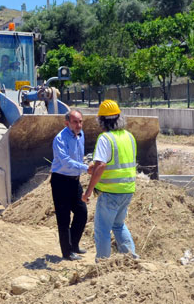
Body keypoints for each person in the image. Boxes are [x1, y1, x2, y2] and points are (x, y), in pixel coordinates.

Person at [82, 100, 138, 260]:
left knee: (102, 230)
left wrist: (88, 191)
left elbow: (101, 166)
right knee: (118, 225)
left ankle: (103, 264)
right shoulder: (129, 136)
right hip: (127, 190)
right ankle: (131, 259)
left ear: (101, 121)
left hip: (110, 193)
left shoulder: (105, 138)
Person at [50, 109, 89, 261]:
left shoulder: (81, 135)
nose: (79, 125)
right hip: (61, 181)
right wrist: (86, 168)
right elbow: (65, 162)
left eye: (80, 121)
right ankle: (67, 253)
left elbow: (79, 157)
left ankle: (74, 245)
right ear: (67, 123)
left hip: (74, 180)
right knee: (64, 218)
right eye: (75, 122)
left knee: (82, 212)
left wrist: (84, 166)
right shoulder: (60, 139)